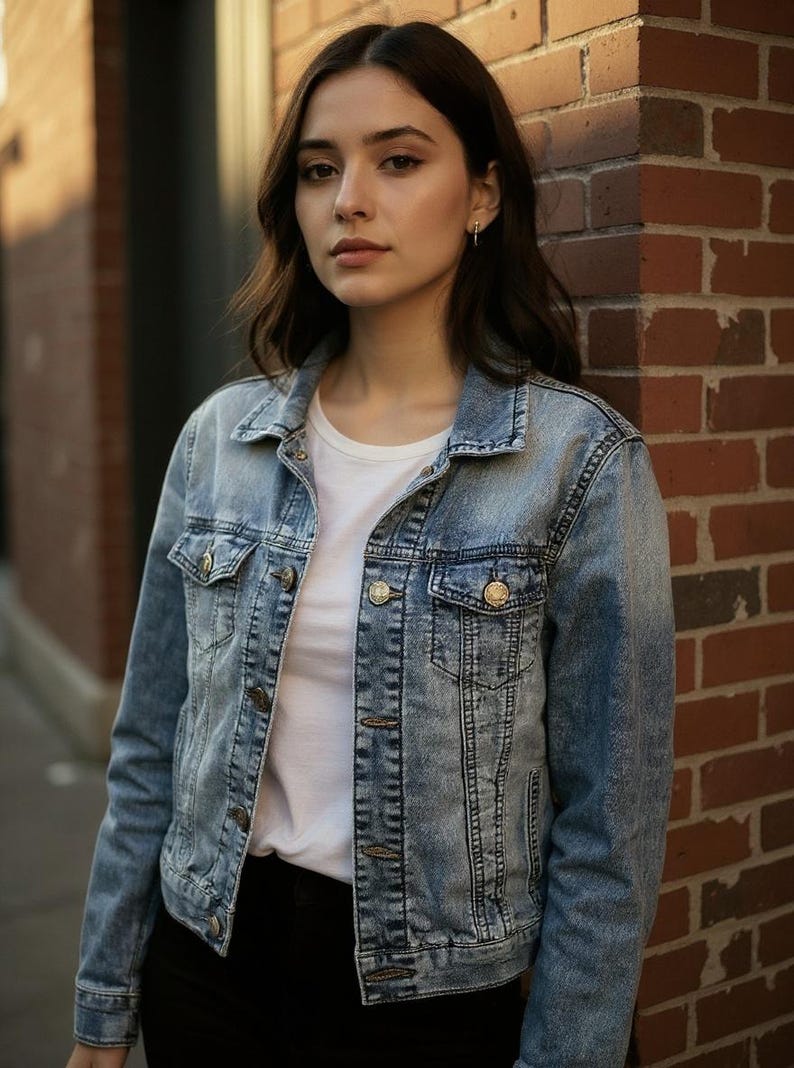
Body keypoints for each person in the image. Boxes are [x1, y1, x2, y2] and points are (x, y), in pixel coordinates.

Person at [66, 20, 674, 1068]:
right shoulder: (221, 440)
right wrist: (101, 1013)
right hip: (208, 962)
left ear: (481, 194)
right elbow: (149, 753)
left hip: (434, 999)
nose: (349, 198)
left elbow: (607, 836)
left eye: (398, 160)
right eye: (318, 169)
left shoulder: (575, 464)